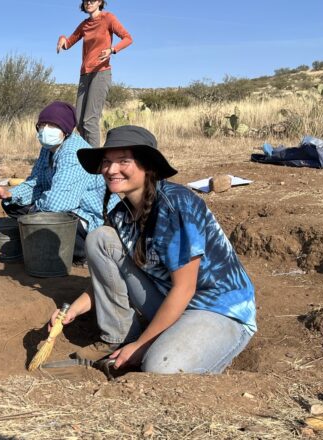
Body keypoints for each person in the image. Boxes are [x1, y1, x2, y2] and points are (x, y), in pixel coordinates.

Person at [47, 125, 256, 374]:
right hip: (167, 299)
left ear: (147, 165)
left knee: (160, 368)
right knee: (100, 238)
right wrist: (71, 310)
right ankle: (119, 337)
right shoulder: (120, 215)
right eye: (106, 162)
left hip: (215, 309)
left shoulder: (175, 205)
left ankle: (210, 346)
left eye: (123, 160)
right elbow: (108, 279)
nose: (111, 170)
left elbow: (185, 288)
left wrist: (142, 346)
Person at [0, 101, 117, 262]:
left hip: (92, 213)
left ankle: (80, 253)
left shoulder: (74, 153)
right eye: (42, 125)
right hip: (64, 203)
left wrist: (33, 214)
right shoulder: (47, 149)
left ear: (66, 130)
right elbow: (36, 182)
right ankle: (38, 236)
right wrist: (10, 194)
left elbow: (59, 202)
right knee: (12, 203)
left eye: (52, 125)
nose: (45, 130)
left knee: (48, 221)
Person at [56, 0, 132, 147]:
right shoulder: (84, 25)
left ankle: (95, 163)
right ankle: (86, 158)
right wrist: (61, 38)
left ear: (100, 2)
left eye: (92, 0)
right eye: (85, 0)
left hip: (101, 73)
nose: (88, 2)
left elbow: (128, 38)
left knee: (90, 120)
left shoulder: (108, 18)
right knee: (79, 121)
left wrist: (112, 50)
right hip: (85, 75)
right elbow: (68, 44)